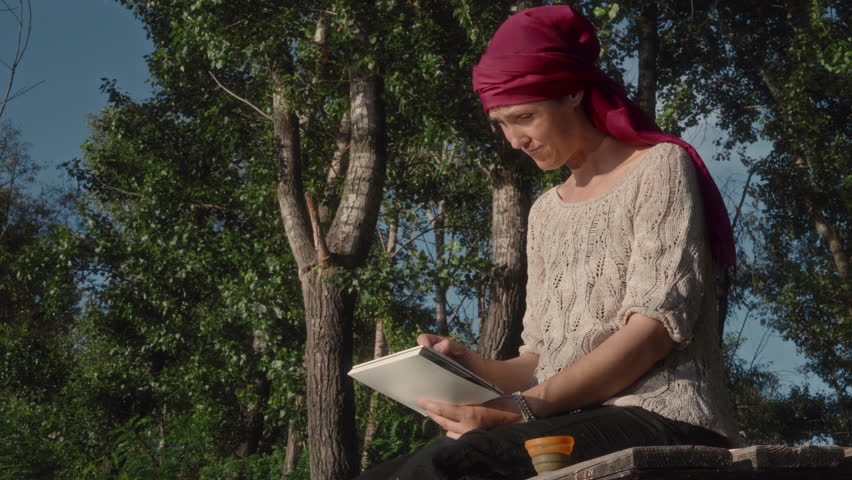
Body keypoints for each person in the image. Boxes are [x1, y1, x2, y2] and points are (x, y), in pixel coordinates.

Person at [356, 5, 739, 479]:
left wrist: (523, 408)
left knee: (451, 464)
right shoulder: (545, 212)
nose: (515, 139)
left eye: (525, 117)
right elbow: (542, 358)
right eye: (501, 123)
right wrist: (475, 367)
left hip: (664, 417)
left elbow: (652, 333)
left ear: (574, 92)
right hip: (572, 418)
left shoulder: (658, 167)